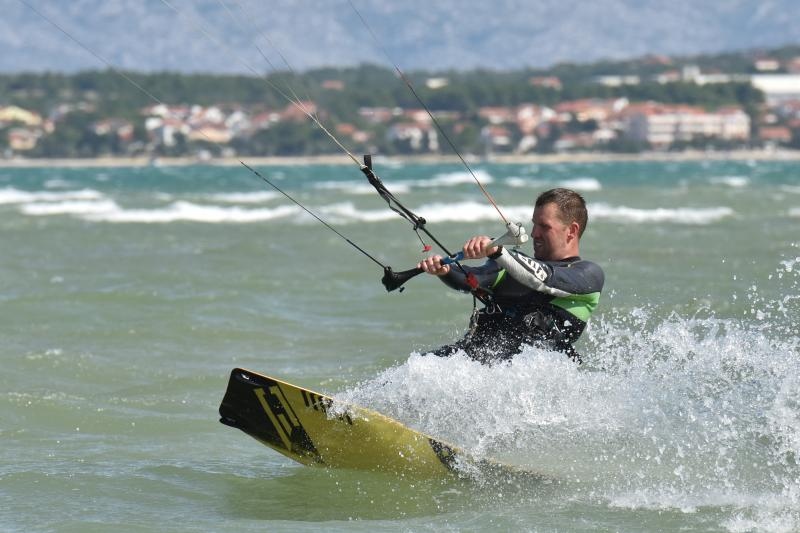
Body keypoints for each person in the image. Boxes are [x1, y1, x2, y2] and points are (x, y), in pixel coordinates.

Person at [417, 188, 604, 364]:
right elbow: (475, 277)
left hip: (518, 382)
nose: (534, 233)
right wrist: (446, 271)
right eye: (534, 225)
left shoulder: (588, 275)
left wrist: (498, 251)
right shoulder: (510, 266)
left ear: (571, 230)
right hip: (468, 363)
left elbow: (544, 279)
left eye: (544, 227)